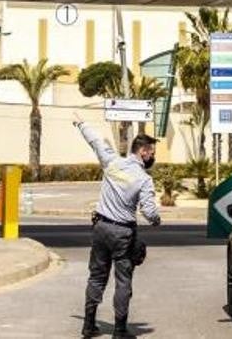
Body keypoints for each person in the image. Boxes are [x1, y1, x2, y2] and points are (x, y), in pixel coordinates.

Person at [74, 120, 161, 339]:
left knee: (96, 277)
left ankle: (88, 325)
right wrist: (157, 220)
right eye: (151, 153)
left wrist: (81, 123)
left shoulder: (111, 161)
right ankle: (120, 330)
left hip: (101, 228)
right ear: (142, 152)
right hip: (123, 234)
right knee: (123, 281)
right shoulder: (144, 180)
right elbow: (149, 212)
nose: (152, 157)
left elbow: (94, 140)